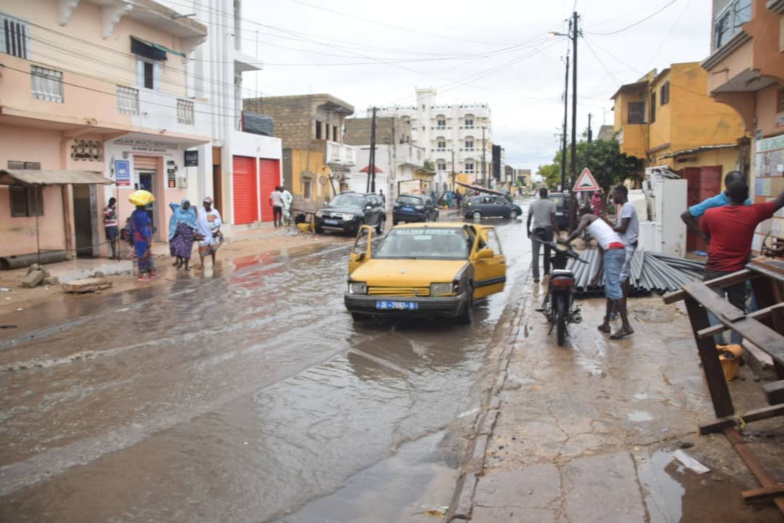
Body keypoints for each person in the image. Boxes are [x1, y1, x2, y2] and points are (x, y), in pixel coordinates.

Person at [700, 181, 784, 342]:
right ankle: (736, 350)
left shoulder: (710, 214)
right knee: (737, 311)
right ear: (746, 197)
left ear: (726, 194)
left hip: (713, 270)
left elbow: (706, 236)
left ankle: (718, 349)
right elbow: (780, 201)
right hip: (737, 272)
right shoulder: (753, 212)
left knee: (713, 309)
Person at [561, 212, 632, 340]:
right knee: (610, 289)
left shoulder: (587, 216)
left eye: (579, 221)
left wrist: (565, 242)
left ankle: (626, 326)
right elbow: (602, 256)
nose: (580, 223)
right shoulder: (602, 232)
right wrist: (597, 275)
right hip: (617, 251)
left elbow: (577, 231)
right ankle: (606, 323)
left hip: (614, 251)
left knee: (614, 289)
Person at [680, 170, 748, 245]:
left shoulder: (747, 202)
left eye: (743, 183)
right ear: (727, 184)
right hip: (720, 249)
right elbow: (686, 216)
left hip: (742, 247)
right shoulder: (715, 201)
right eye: (737, 183)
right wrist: (704, 237)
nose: (741, 186)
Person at [611, 185, 639, 318]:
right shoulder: (624, 208)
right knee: (625, 275)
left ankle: (616, 310)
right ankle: (622, 307)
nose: (613, 198)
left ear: (621, 195)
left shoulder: (627, 207)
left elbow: (622, 228)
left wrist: (608, 225)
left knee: (620, 278)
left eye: (614, 195)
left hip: (628, 244)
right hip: (626, 243)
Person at [527, 188, 558, 283]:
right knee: (547, 253)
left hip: (536, 230)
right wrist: (557, 231)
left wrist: (527, 230)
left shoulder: (533, 204)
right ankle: (546, 272)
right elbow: (553, 219)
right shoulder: (551, 204)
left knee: (535, 254)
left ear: (539, 194)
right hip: (547, 230)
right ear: (547, 194)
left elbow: (529, 218)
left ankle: (536, 277)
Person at [168, 199, 199, 270]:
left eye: (188, 204)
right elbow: (173, 222)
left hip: (188, 235)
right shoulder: (177, 211)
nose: (186, 206)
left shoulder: (191, 212)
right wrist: (173, 231)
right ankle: (181, 261)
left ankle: (186, 265)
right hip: (178, 234)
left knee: (187, 250)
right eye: (185, 204)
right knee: (178, 248)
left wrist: (195, 231)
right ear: (182, 204)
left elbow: (194, 223)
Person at [129, 205, 158, 281]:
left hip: (137, 238)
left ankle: (151, 271)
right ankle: (141, 274)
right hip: (143, 238)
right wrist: (148, 239)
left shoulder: (134, 214)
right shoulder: (142, 215)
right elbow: (143, 228)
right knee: (143, 255)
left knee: (147, 254)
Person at [197, 197, 223, 268]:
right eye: (204, 203)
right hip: (203, 234)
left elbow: (219, 222)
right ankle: (202, 264)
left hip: (212, 234)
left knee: (213, 249)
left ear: (210, 204)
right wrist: (197, 232)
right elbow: (197, 222)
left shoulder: (215, 212)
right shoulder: (200, 212)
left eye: (207, 204)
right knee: (201, 249)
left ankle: (213, 262)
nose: (205, 205)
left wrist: (216, 230)